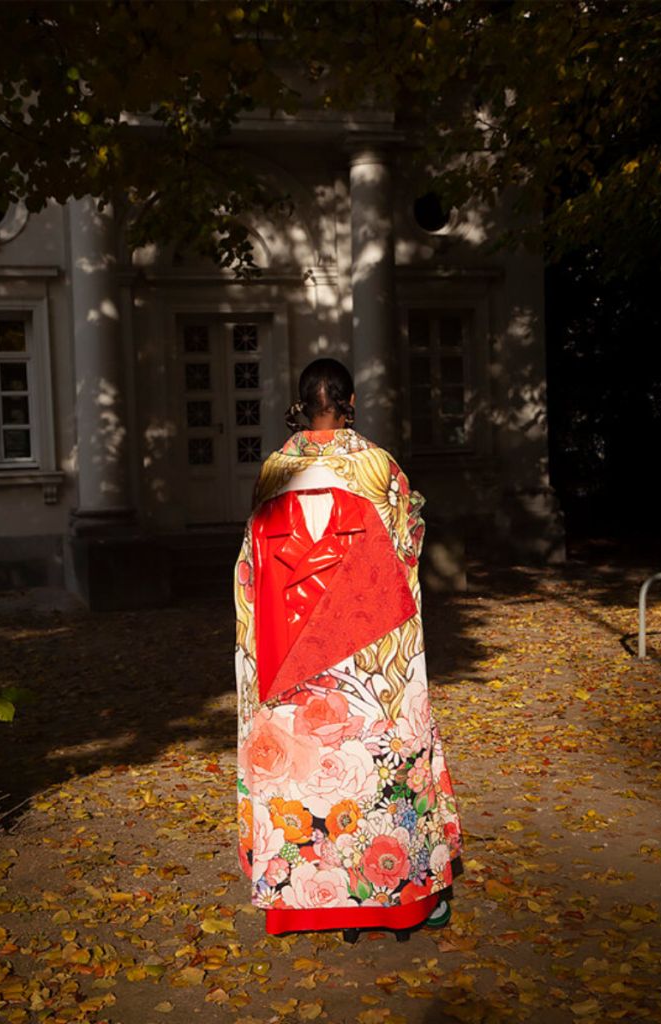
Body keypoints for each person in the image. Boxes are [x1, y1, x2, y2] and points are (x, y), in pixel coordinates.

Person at [234, 358, 462, 942]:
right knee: (377, 767)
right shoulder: (377, 466)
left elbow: (253, 561)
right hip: (366, 641)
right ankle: (398, 901)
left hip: (290, 645)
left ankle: (315, 900)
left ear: (301, 404)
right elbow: (406, 545)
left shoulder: (274, 471)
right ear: (350, 402)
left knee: (308, 771)